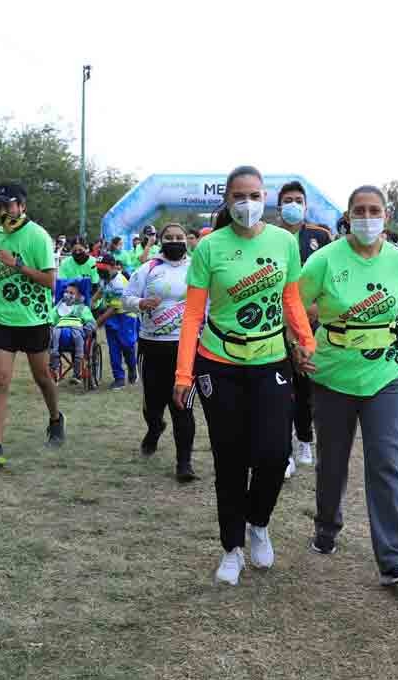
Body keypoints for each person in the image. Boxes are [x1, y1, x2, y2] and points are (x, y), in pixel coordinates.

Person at [173, 165, 315, 586]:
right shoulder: (209, 248)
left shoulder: (284, 242)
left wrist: (305, 341)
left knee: (274, 455)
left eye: (254, 196)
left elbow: (291, 299)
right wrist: (184, 374)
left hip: (271, 360)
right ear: (228, 200)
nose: (247, 204)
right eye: (238, 196)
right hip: (218, 363)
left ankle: (258, 522)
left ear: (265, 198)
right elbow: (193, 314)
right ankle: (232, 547)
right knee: (229, 458)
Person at [299, 185, 398, 586]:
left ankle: (393, 558)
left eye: (374, 210)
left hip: (387, 372)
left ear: (386, 217)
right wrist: (300, 341)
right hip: (333, 373)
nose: (366, 217)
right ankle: (326, 527)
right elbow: (298, 304)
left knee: (386, 459)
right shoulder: (324, 260)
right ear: (347, 215)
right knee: (333, 458)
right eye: (359, 210)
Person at [0, 182, 66, 469]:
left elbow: (50, 281)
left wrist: (15, 265)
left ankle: (55, 418)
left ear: (22, 206)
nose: (2, 211)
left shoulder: (38, 236)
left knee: (42, 378)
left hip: (34, 319)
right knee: (0, 380)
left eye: (8, 205)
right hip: (3, 317)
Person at [123, 223, 198, 482]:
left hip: (185, 347)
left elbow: (209, 304)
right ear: (160, 241)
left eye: (179, 237)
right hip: (151, 345)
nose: (175, 241)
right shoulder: (148, 268)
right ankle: (155, 428)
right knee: (153, 404)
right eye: (169, 238)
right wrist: (141, 303)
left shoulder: (197, 268)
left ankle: (184, 463)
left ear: (187, 241)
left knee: (183, 406)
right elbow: (126, 299)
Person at [275, 179, 334, 477]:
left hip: (311, 324)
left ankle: (305, 440)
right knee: (280, 390)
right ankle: (283, 452)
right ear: (278, 206)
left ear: (306, 205)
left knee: (306, 387)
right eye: (288, 200)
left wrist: (311, 313)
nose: (293, 205)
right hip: (276, 326)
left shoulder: (321, 236)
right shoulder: (268, 237)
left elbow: (332, 281)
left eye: (298, 199)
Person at [95, 254, 140, 389]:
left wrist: (98, 322)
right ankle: (119, 378)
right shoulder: (104, 278)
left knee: (126, 345)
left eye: (103, 268)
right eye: (98, 268)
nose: (99, 271)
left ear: (113, 267)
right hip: (112, 317)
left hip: (126, 315)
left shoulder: (119, 282)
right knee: (113, 349)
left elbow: (115, 308)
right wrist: (92, 302)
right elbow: (100, 291)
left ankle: (132, 368)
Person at [49, 282, 96, 385]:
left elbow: (91, 321)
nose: (67, 294)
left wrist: (87, 329)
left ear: (78, 296)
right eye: (66, 292)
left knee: (79, 348)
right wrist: (50, 327)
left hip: (76, 330)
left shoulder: (82, 308)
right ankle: (54, 370)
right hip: (59, 329)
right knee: (53, 346)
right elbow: (50, 319)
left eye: (71, 292)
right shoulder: (58, 308)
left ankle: (77, 373)